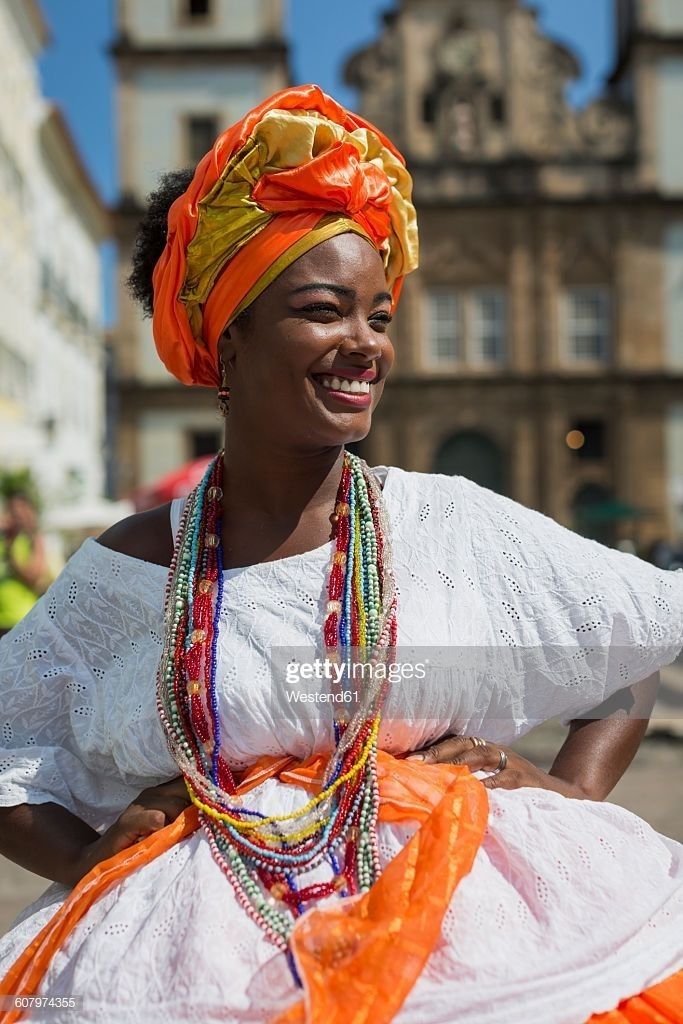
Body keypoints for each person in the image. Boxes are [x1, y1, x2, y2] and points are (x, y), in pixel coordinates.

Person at [0, 85, 682, 1024]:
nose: (365, 345)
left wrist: (566, 793)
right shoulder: (134, 569)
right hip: (185, 974)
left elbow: (632, 644)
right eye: (326, 311)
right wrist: (87, 858)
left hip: (479, 961)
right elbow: (8, 751)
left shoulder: (449, 525)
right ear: (226, 340)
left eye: (380, 316)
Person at [0, 490, 50, 638]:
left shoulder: (33, 540)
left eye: (19, 511)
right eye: (12, 511)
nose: (15, 515)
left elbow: (33, 577)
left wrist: (11, 555)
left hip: (21, 619)